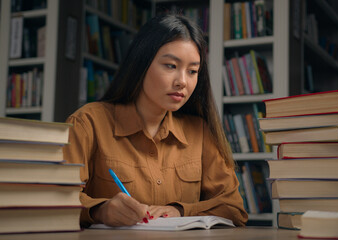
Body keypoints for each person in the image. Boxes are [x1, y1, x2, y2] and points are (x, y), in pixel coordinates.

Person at [64, 14, 248, 228]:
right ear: (141, 63)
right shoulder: (88, 123)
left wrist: (179, 210)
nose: (182, 82)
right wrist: (100, 210)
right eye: (171, 66)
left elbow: (234, 209)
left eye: (192, 71)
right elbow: (53, 200)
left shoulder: (200, 131)